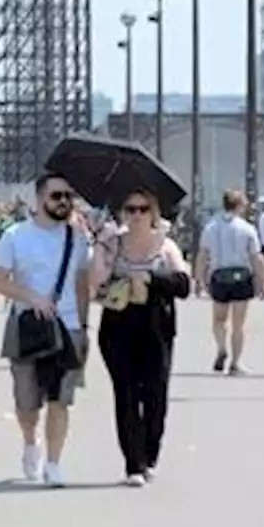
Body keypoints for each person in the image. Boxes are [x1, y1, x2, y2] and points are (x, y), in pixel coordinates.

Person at [0, 172, 92, 487]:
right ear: (39, 199)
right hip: (28, 327)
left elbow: (82, 284)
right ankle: (30, 442)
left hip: (68, 327)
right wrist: (32, 298)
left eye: (68, 196)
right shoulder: (15, 236)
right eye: (56, 196)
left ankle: (54, 463)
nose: (63, 202)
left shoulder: (78, 239)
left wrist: (85, 327)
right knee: (26, 402)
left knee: (60, 400)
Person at [91, 189, 191, 487]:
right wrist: (100, 248)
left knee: (155, 394)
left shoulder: (166, 246)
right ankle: (133, 463)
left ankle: (149, 453)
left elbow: (183, 285)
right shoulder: (111, 244)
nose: (135, 215)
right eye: (129, 209)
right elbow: (96, 284)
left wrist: (151, 278)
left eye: (142, 209)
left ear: (153, 212)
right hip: (118, 325)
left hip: (157, 326)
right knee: (126, 393)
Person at [193, 190, 264, 375]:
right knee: (238, 324)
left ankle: (221, 347)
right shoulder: (247, 228)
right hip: (242, 277)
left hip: (219, 276)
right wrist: (261, 281)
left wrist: (199, 279)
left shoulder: (211, 227)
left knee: (219, 319)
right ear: (240, 206)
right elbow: (256, 257)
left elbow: (203, 255)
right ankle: (235, 363)